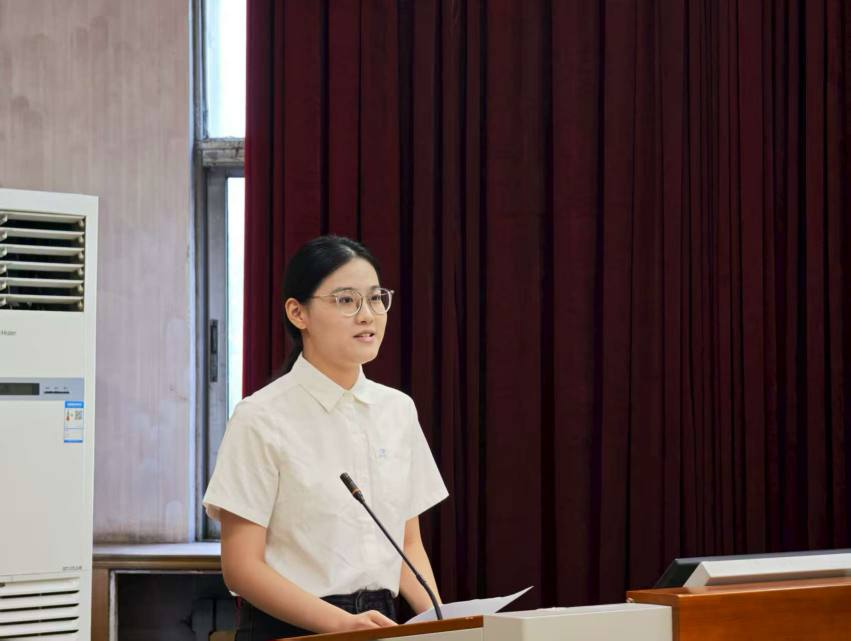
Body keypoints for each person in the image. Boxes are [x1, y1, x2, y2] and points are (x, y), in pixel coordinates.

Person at [202, 235, 448, 641]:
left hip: (378, 624)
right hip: (291, 627)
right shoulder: (261, 417)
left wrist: (442, 624)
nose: (367, 315)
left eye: (376, 298)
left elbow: (407, 546)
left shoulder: (398, 410)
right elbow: (241, 568)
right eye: (346, 300)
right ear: (298, 313)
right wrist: (341, 625)